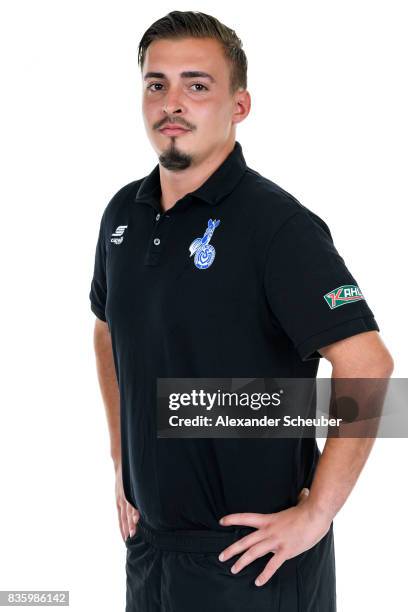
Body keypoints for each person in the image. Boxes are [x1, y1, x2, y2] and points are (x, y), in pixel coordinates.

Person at [89, 10, 393, 612]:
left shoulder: (278, 228)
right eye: (157, 84)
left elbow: (369, 366)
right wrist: (124, 459)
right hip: (149, 551)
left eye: (197, 85)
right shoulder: (123, 214)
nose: (172, 102)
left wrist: (316, 515)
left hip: (251, 564)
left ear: (239, 105)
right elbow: (107, 331)